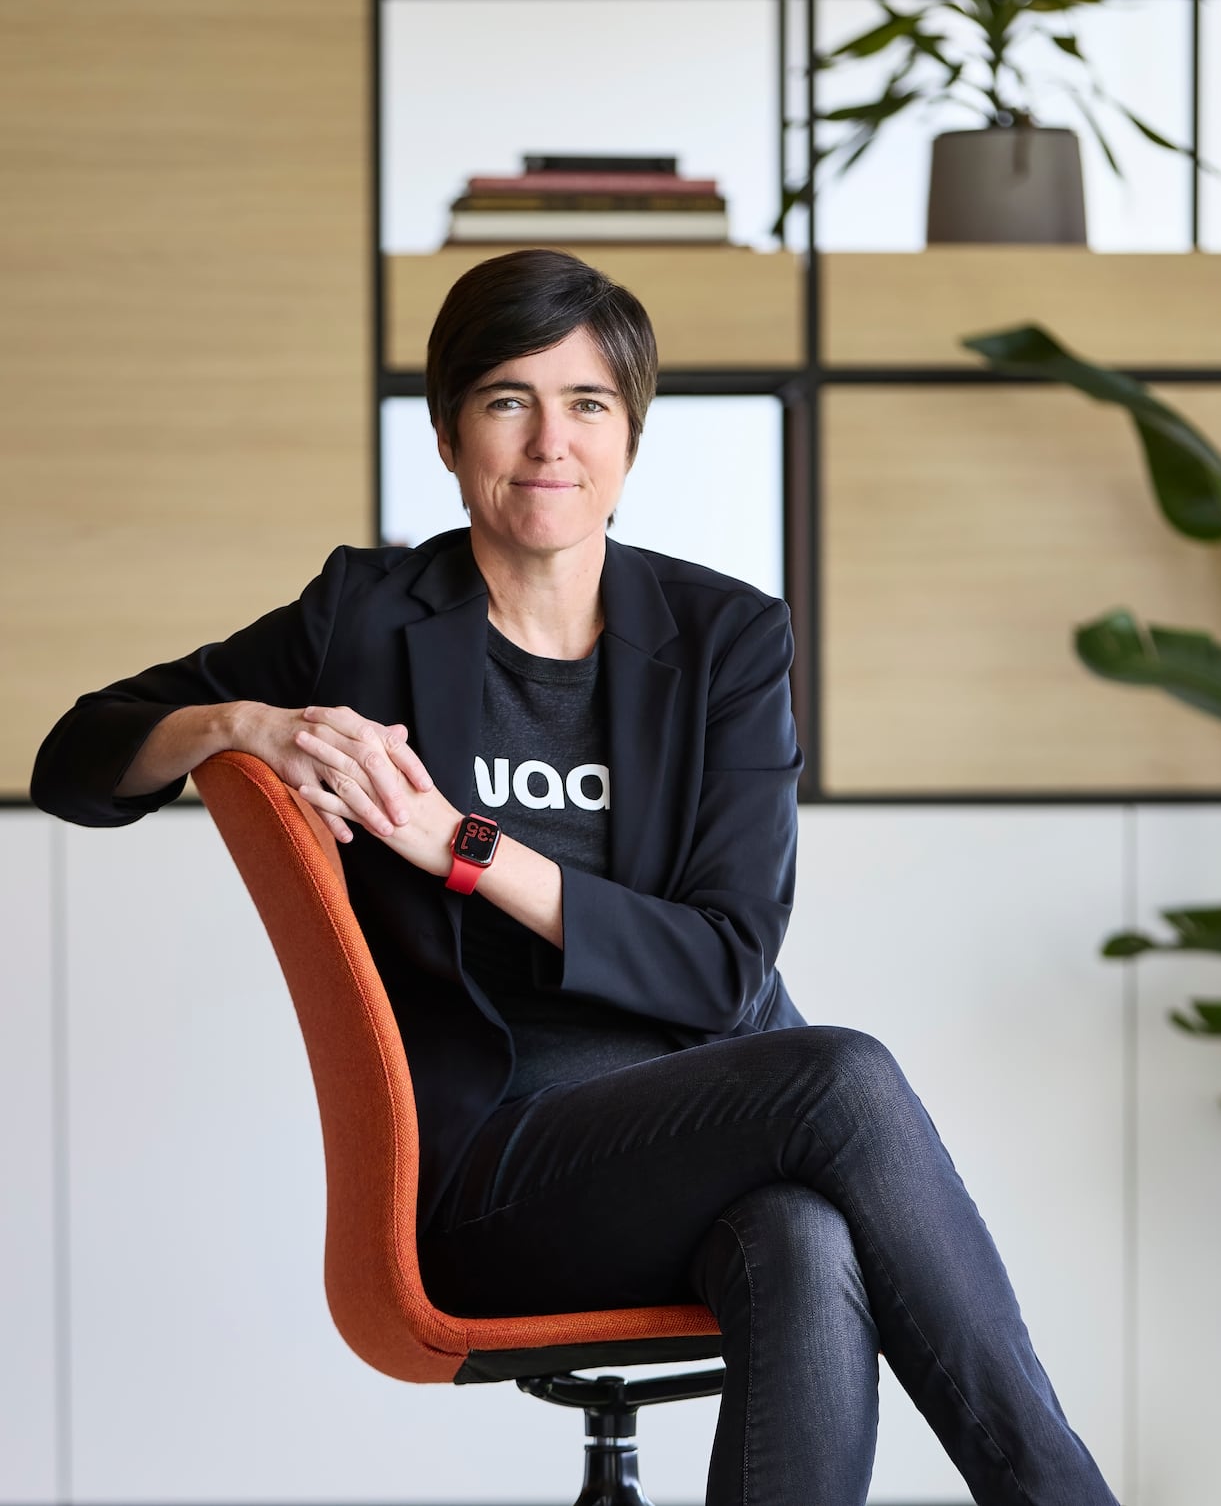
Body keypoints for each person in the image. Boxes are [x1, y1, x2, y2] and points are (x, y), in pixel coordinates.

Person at [31, 248, 1119, 1506]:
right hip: (491, 1173)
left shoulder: (725, 641)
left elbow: (720, 969)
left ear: (630, 439)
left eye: (588, 404)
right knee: (840, 1071)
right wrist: (242, 723)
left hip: (702, 1132)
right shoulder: (364, 623)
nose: (549, 441)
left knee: (801, 1236)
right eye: (507, 400)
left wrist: (468, 849)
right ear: (448, 436)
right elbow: (76, 754)